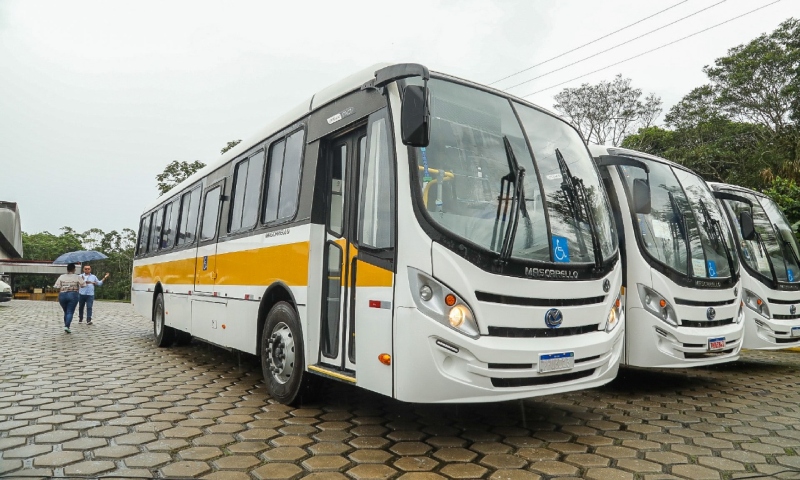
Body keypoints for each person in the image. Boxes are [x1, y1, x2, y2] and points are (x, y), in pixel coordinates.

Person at [54, 263, 86, 333]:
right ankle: (67, 326)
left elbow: (57, 286)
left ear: (67, 269)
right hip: (73, 295)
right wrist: (82, 280)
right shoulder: (77, 277)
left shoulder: (61, 276)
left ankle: (66, 325)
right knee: (70, 311)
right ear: (74, 269)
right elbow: (83, 285)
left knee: (66, 311)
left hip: (62, 295)